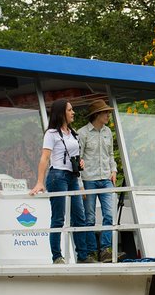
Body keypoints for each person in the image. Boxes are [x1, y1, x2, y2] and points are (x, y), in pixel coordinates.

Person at [29, 99, 94, 264]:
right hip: (57, 176)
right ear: (61, 113)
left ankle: (83, 256)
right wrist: (39, 181)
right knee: (58, 218)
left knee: (80, 216)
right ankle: (57, 256)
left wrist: (80, 162)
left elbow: (74, 155)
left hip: (72, 177)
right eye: (70, 110)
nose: (73, 113)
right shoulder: (51, 134)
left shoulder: (72, 133)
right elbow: (44, 158)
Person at [78, 99, 119, 262]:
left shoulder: (108, 132)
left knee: (110, 214)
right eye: (105, 112)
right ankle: (91, 252)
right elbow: (77, 159)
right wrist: (80, 184)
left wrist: (114, 169)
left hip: (106, 179)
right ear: (97, 115)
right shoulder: (82, 133)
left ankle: (105, 250)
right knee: (89, 218)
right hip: (89, 180)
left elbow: (110, 154)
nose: (108, 115)